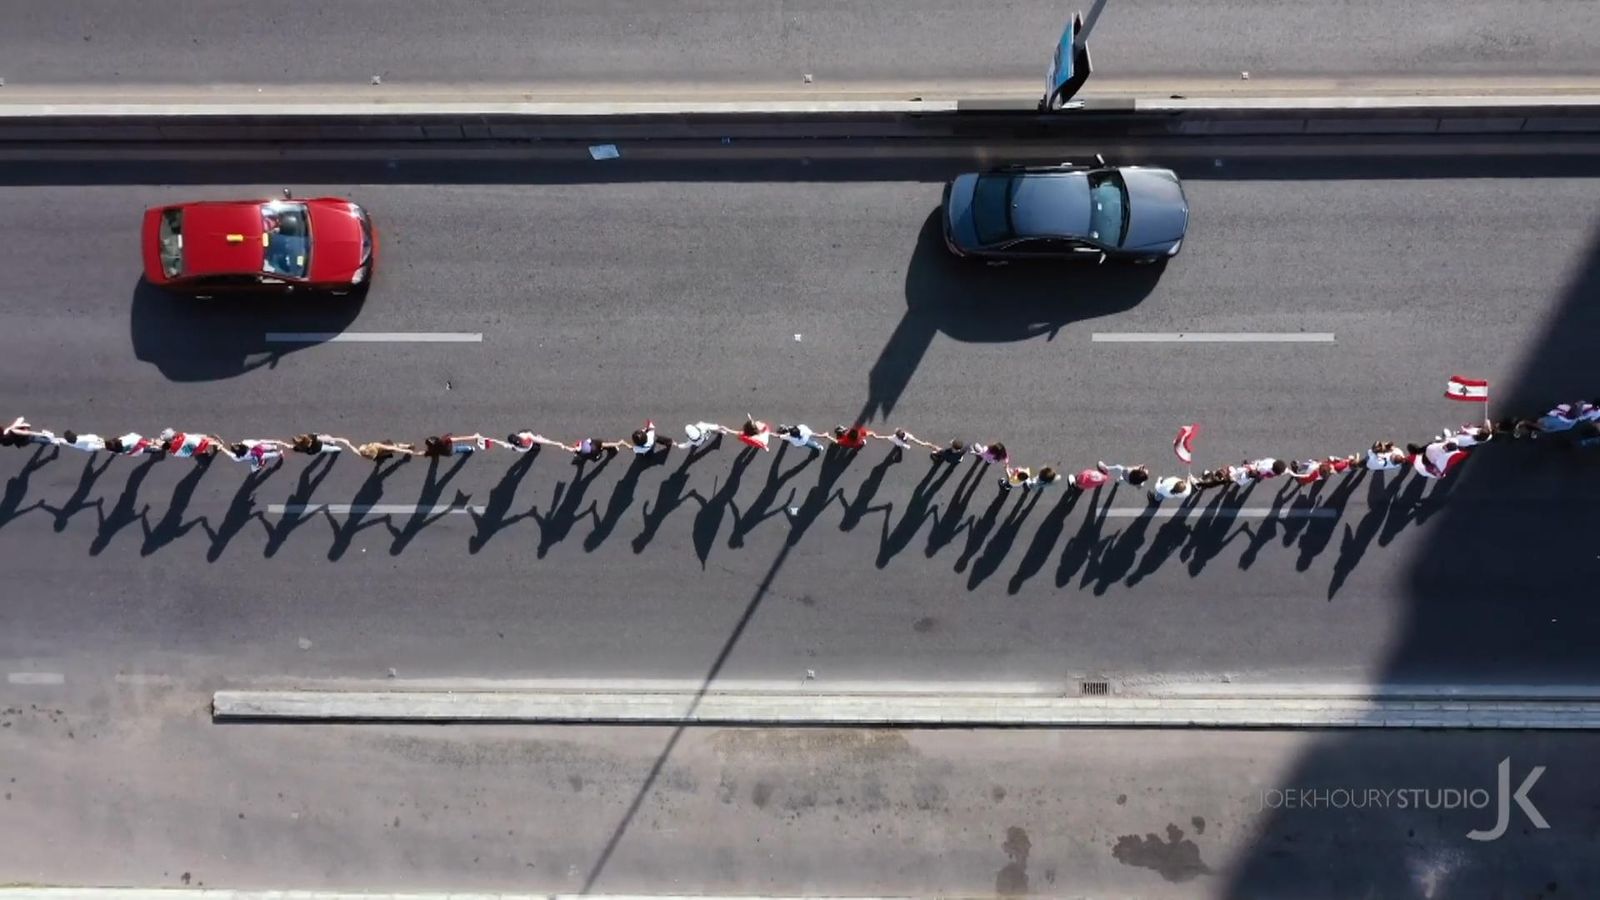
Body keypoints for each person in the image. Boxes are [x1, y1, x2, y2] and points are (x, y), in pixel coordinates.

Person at [224, 439, 289, 472]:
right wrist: (277, 442)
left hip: (257, 456)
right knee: (267, 446)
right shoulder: (246, 442)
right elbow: (261, 441)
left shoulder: (238, 457)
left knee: (268, 456)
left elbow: (229, 454)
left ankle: (279, 453)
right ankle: (275, 447)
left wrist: (222, 448)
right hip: (259, 448)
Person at [423, 433, 491, 458]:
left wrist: (413, 453)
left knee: (458, 449)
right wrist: (474, 437)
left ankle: (470, 449)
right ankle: (470, 448)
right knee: (459, 449)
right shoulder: (445, 440)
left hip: (446, 453)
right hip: (451, 450)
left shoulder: (432, 449)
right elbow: (462, 439)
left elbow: (422, 453)